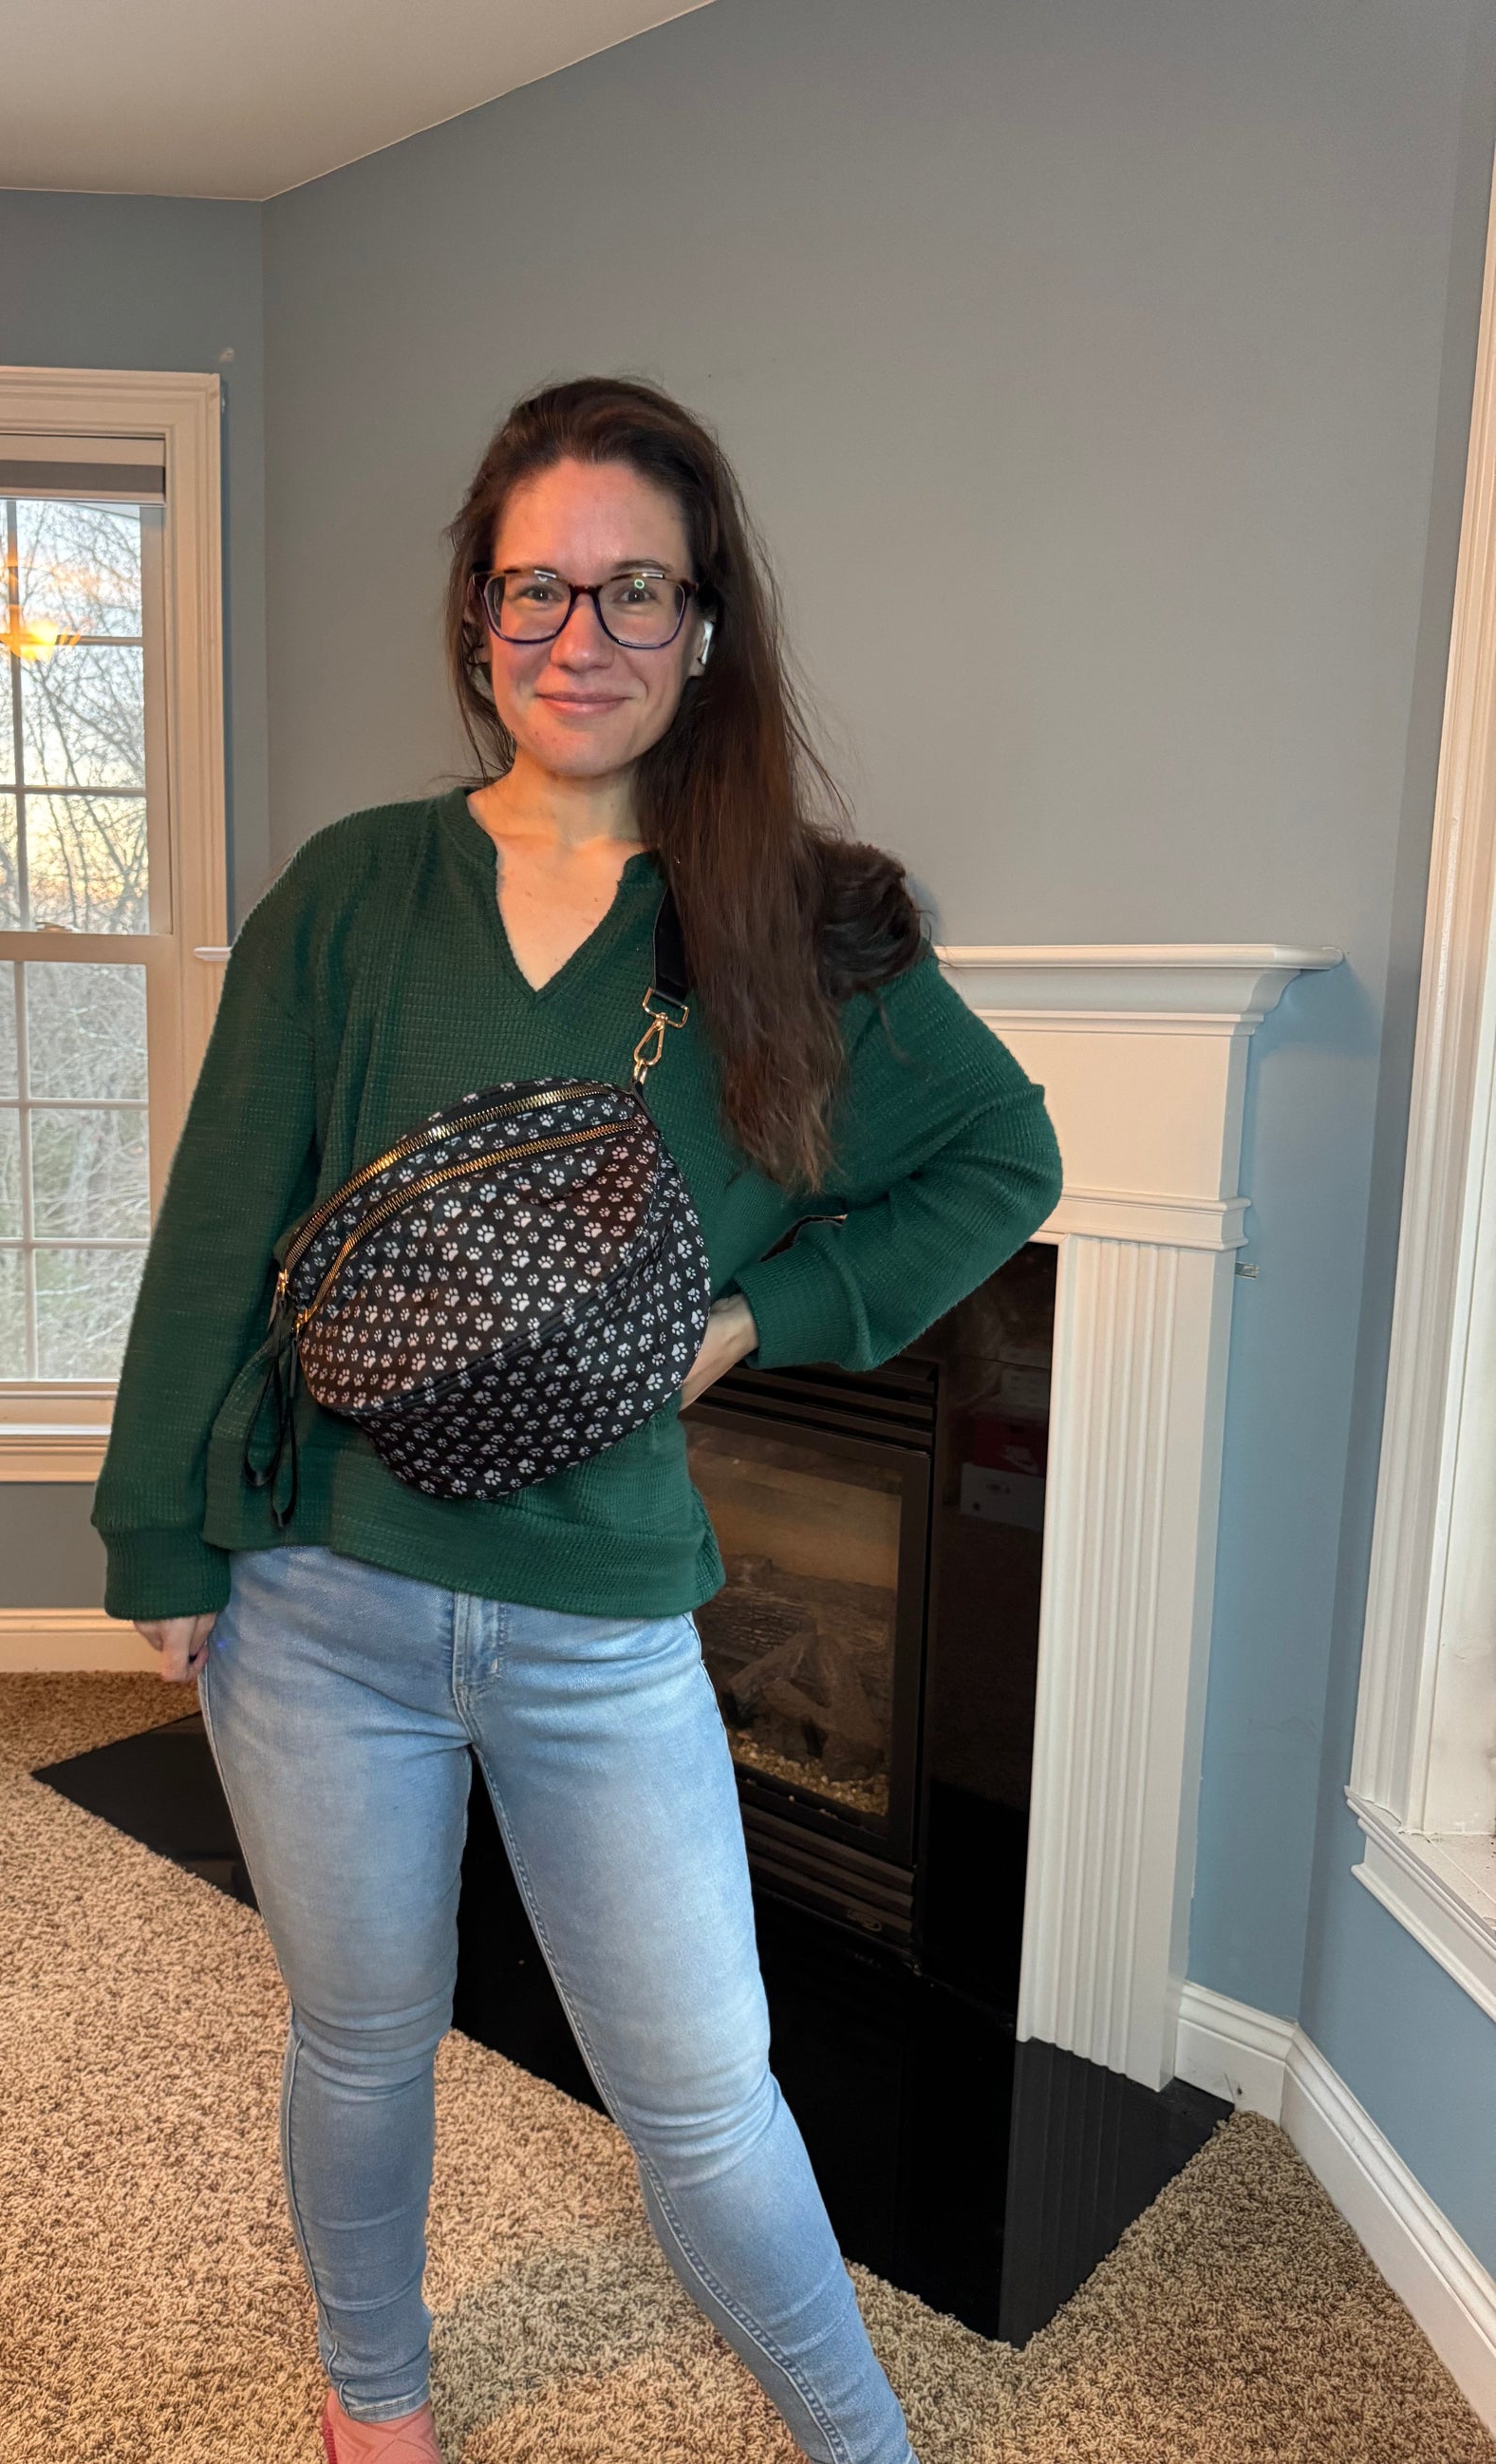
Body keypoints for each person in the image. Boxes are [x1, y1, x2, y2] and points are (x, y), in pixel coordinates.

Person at [92, 375, 1063, 2464]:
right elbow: (221, 1219)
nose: (580, 633)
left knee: (702, 2091)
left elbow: (1003, 1158)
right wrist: (157, 1535)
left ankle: (861, 2439)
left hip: (600, 1621)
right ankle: (374, 2401)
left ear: (703, 627)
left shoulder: (796, 925)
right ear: (476, 614)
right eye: (534, 587)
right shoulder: (355, 889)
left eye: (636, 589)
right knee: (361, 2037)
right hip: (317, 1595)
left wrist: (749, 1319)